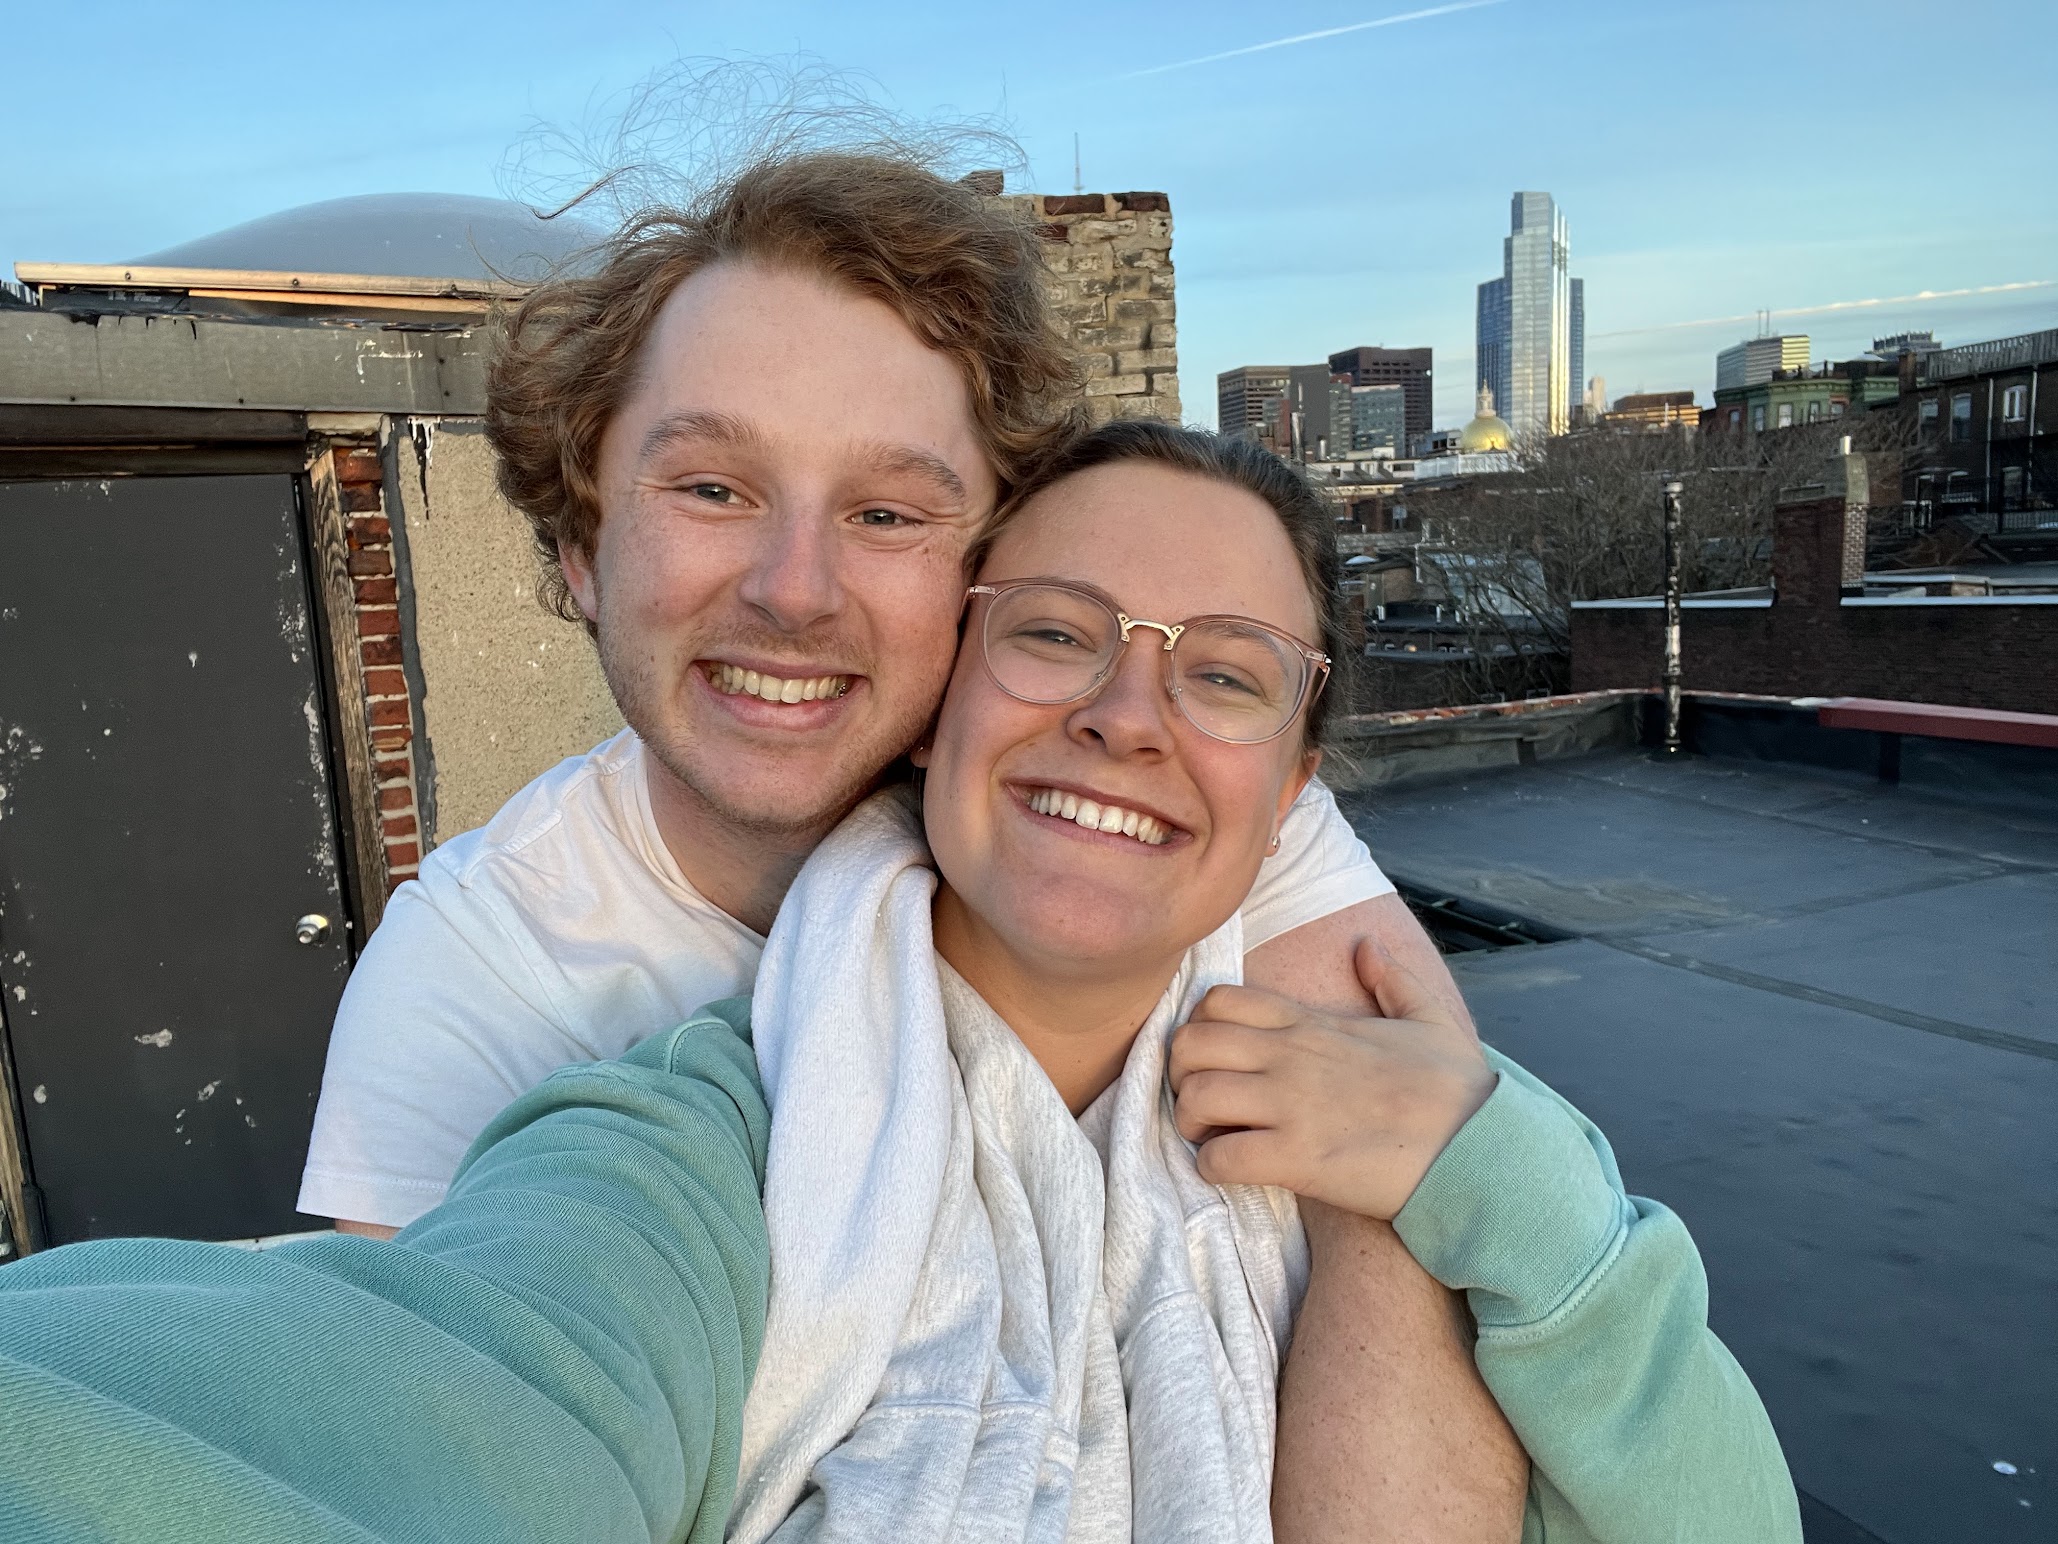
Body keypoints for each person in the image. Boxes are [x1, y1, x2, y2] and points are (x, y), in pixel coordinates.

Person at [0, 422, 1801, 1543]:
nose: (1125, 710)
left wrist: (1459, 1176)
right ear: (942, 694)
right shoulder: (711, 1131)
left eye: (1227, 674)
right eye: (1051, 633)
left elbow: (1725, 1516)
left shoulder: (1446, 1134)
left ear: (1296, 780)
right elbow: (452, 1392)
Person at [296, 149, 1524, 1527]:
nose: (793, 592)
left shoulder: (1164, 808)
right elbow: (447, 1441)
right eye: (710, 489)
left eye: (885, 514)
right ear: (581, 548)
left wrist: (1396, 1181)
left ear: (985, 576)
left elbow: (1406, 1140)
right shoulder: (472, 984)